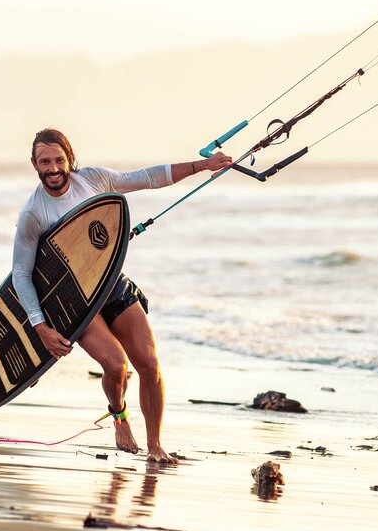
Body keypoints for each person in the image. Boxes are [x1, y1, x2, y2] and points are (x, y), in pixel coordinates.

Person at [12, 128, 232, 463]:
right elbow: (21, 274)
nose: (54, 168)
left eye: (59, 159)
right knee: (116, 365)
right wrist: (41, 327)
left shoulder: (94, 180)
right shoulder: (33, 213)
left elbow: (147, 177)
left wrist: (201, 166)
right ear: (35, 165)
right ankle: (119, 416)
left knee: (149, 363)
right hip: (75, 299)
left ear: (69, 158)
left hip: (110, 282)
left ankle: (156, 445)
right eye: (45, 162)